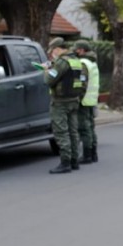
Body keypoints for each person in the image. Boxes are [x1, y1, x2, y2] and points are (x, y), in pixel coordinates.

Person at [44, 37, 85, 174]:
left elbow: (49, 80)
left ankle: (65, 162)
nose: (52, 54)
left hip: (61, 102)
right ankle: (74, 161)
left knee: (61, 132)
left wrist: (46, 70)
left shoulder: (62, 62)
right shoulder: (75, 60)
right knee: (73, 132)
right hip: (73, 100)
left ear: (57, 48)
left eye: (52, 51)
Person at [74, 40, 100, 164]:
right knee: (91, 127)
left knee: (84, 128)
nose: (75, 51)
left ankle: (87, 155)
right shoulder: (92, 62)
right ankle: (93, 153)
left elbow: (82, 82)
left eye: (77, 49)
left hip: (84, 100)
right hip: (92, 99)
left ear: (82, 50)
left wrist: (78, 96)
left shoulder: (83, 63)